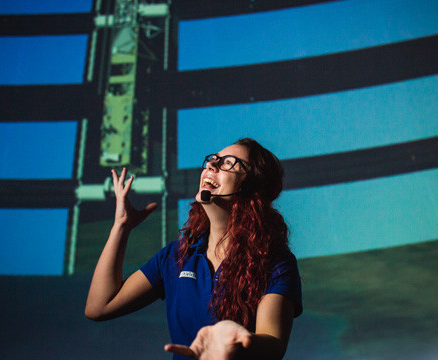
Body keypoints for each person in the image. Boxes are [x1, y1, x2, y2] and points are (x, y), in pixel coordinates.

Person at [85, 138, 302, 359]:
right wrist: (121, 227)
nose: (211, 165)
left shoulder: (275, 261)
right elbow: (99, 307)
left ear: (252, 188)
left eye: (228, 162)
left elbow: (273, 345)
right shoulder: (175, 256)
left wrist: (235, 342)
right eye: (212, 160)